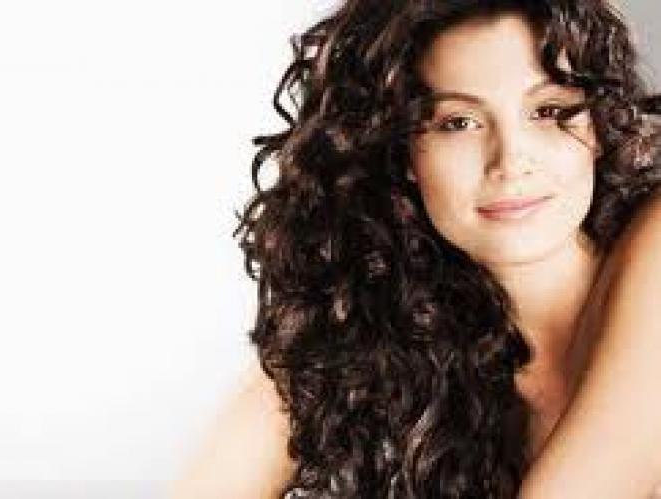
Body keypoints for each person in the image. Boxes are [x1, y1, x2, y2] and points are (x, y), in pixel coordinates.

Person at [170, 0, 661, 497]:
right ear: (401, 150)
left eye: (549, 111)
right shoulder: (358, 343)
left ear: (598, 127)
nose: (511, 162)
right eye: (457, 123)